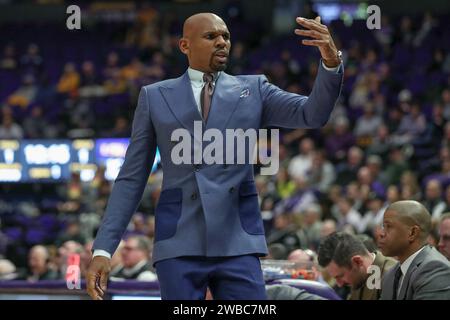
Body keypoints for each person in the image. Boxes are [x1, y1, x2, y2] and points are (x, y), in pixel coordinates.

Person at [87, 12, 343, 300]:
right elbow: (132, 178)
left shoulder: (255, 89)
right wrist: (104, 248)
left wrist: (331, 63)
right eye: (211, 36)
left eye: (226, 36)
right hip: (178, 240)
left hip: (238, 241)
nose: (222, 42)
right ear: (185, 46)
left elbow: (313, 113)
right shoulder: (154, 96)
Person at [379, 200, 450, 300]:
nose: (381, 234)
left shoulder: (435, 269)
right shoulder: (390, 274)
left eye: (388, 226)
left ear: (412, 233)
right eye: (383, 226)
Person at [318, 232, 396, 300]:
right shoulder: (358, 276)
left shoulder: (393, 276)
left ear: (357, 261)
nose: (339, 284)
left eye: (340, 276)